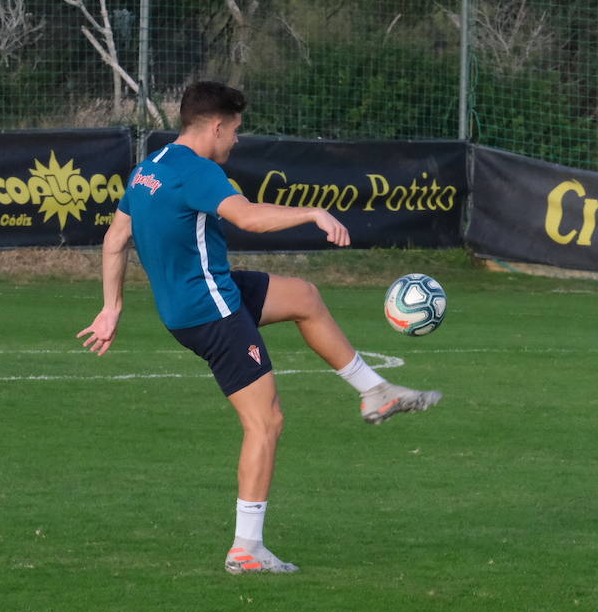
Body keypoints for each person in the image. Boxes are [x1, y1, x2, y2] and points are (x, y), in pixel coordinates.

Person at [77, 81, 442, 574]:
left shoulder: (150, 168)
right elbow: (247, 218)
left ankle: (374, 391)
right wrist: (312, 212)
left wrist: (111, 306)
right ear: (216, 125)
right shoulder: (198, 172)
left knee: (305, 297)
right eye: (235, 131)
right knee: (265, 422)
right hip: (211, 312)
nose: (236, 141)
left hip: (201, 294)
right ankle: (247, 548)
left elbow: (115, 238)